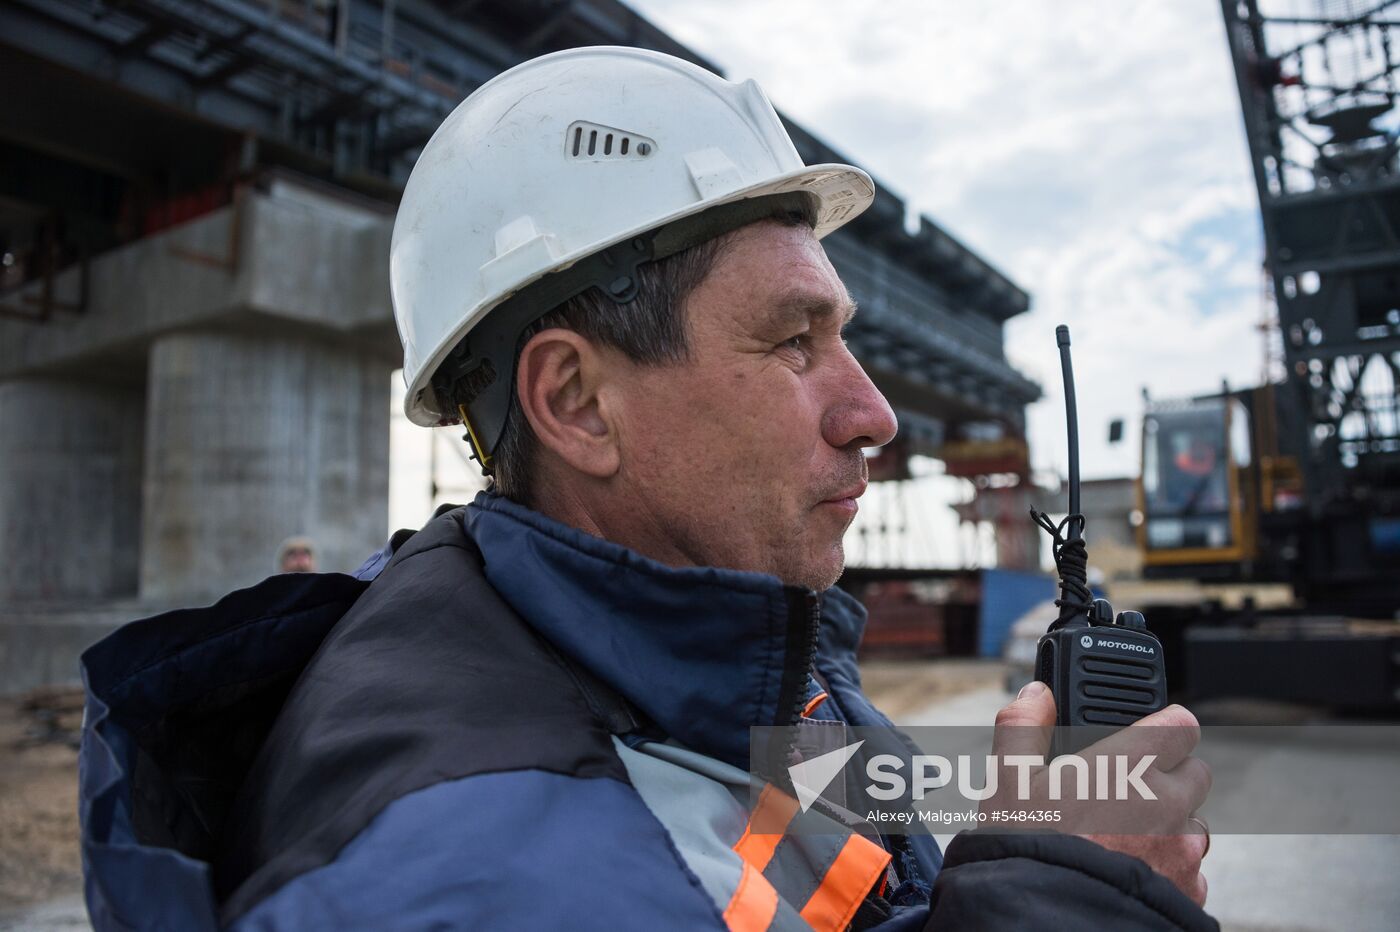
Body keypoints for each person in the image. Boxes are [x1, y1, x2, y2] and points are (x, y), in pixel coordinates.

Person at [78, 47, 1214, 931]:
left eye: (843, 336)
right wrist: (1068, 899)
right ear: (575, 402)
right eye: (790, 341)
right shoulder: (457, 874)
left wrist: (1031, 862)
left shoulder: (768, 669)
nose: (873, 414)